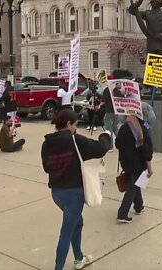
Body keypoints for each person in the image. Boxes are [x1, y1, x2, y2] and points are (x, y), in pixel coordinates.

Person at [41, 109, 111, 270]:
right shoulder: (75, 140)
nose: (76, 128)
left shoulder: (47, 143)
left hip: (57, 193)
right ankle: (59, 267)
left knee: (77, 223)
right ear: (68, 124)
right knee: (67, 230)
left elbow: (46, 167)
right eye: (75, 125)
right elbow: (100, 149)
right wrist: (106, 135)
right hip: (73, 193)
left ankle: (79, 257)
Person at [115, 114, 153, 223]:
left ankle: (139, 205)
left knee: (136, 182)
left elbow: (117, 144)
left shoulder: (124, 128)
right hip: (138, 163)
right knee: (133, 186)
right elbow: (147, 150)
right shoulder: (142, 130)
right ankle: (122, 213)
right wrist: (149, 166)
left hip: (125, 162)